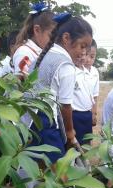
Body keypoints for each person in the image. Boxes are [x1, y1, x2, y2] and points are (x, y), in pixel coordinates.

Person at [27, 12, 92, 163]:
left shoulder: (47, 54)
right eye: (82, 46)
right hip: (45, 122)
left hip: (29, 119)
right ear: (66, 38)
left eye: (87, 48)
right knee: (58, 173)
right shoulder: (66, 65)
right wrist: (70, 132)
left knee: (36, 169)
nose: (84, 53)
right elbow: (65, 105)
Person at [12, 2, 55, 78]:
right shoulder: (24, 53)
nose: (54, 42)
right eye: (51, 36)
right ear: (37, 30)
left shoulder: (44, 51)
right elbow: (21, 86)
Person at [83, 39, 99, 127]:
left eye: (92, 56)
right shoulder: (75, 70)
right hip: (76, 112)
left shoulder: (95, 72)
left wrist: (94, 113)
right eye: (86, 55)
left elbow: (95, 96)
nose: (88, 60)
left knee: (87, 138)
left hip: (89, 112)